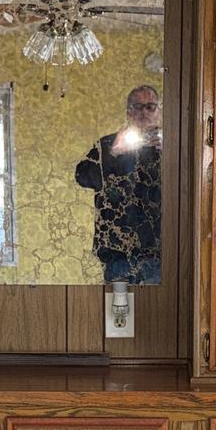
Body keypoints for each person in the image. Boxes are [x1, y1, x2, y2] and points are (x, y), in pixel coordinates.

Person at [74, 84, 162, 285]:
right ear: (128, 112)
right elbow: (82, 177)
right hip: (117, 252)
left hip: (158, 251)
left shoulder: (172, 144)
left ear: (159, 111)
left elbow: (185, 187)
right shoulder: (108, 144)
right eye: (137, 106)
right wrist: (113, 153)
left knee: (157, 304)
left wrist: (168, 152)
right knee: (120, 305)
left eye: (150, 107)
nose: (144, 112)